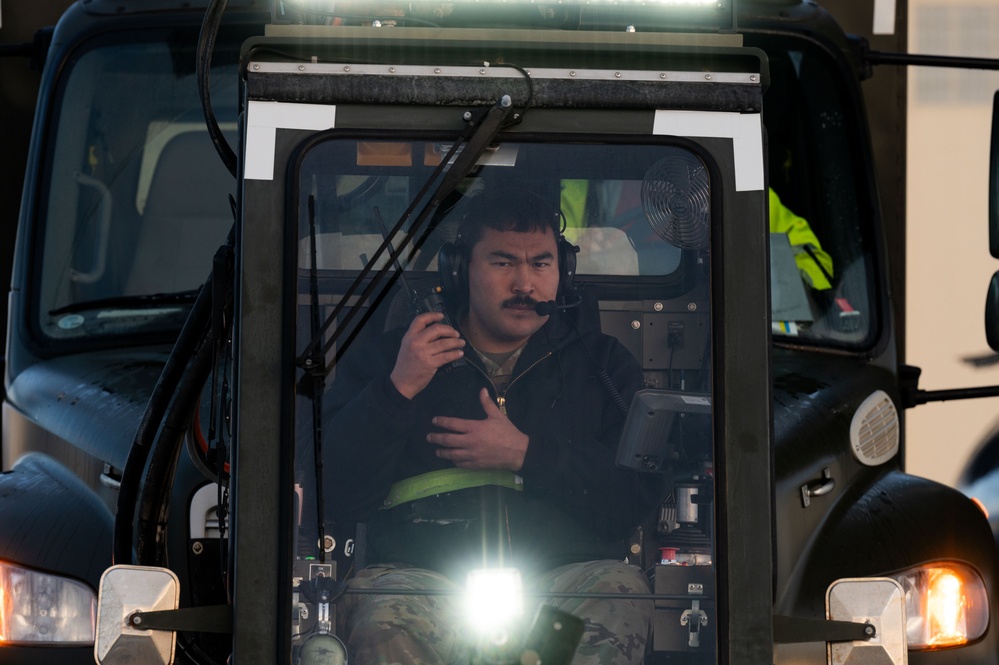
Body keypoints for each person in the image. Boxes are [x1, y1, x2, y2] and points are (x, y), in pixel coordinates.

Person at [324, 187, 665, 664]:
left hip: (558, 595)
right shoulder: (391, 361)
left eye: (541, 264)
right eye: (503, 263)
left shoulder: (605, 366)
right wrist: (397, 389)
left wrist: (526, 455)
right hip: (425, 591)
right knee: (385, 614)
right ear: (461, 270)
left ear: (562, 274)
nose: (525, 283)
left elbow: (635, 496)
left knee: (617, 590)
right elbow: (336, 493)